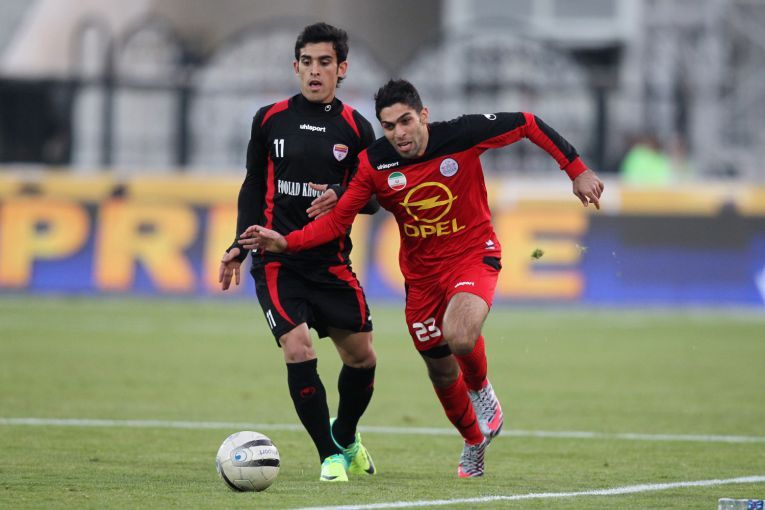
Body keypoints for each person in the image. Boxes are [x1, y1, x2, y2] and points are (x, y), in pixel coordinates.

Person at [240, 79, 604, 478]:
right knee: (441, 370)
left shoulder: (461, 135)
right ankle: (473, 442)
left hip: (472, 255)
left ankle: (481, 390)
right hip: (421, 278)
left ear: (423, 115)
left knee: (459, 335)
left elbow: (527, 122)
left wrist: (577, 170)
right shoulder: (374, 163)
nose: (399, 133)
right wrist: (286, 242)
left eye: (406, 121)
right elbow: (337, 222)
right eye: (389, 126)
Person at [218, 22, 381, 483]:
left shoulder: (356, 128)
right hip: (278, 261)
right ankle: (329, 456)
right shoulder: (269, 119)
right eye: (307, 62)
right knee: (297, 346)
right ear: (295, 67)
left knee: (363, 358)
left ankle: (345, 435)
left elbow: (376, 197)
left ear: (341, 68)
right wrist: (239, 244)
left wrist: (341, 194)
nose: (314, 71)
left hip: (331, 262)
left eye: (324, 62)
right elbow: (253, 184)